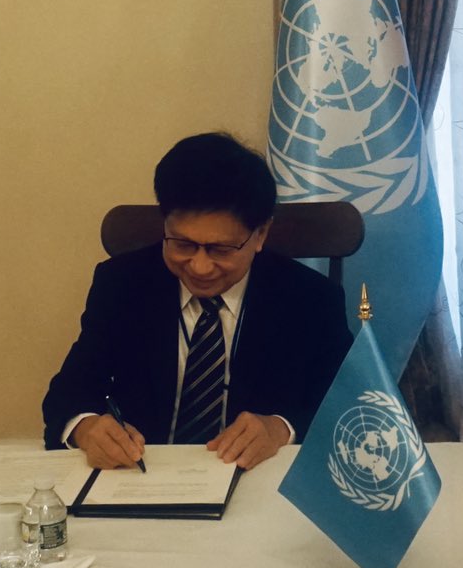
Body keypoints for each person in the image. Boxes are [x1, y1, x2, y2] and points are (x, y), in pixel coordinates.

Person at [42, 132, 352, 472]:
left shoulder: (311, 300)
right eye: (183, 245)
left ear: (260, 234)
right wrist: (86, 428)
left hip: (255, 477)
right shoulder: (122, 284)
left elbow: (347, 404)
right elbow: (68, 393)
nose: (200, 267)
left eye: (221, 249)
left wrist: (280, 428)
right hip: (142, 477)